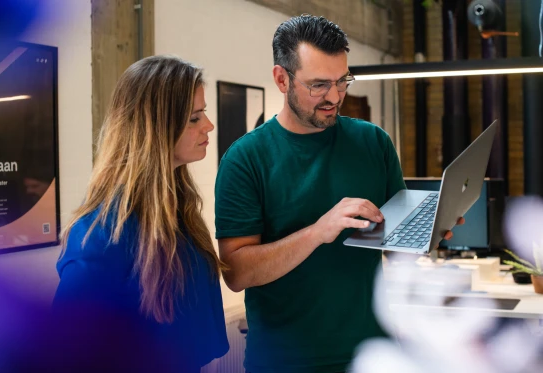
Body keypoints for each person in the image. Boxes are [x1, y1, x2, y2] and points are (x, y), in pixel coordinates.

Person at [214, 15, 463, 373]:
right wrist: (318, 232)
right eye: (318, 85)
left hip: (371, 354)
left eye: (342, 81)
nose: (334, 97)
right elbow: (236, 273)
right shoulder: (245, 158)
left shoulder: (373, 141)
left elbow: (393, 247)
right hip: (285, 361)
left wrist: (428, 232)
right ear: (281, 79)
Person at [53, 55, 229, 373]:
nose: (209, 125)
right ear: (156, 126)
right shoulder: (103, 231)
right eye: (194, 118)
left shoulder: (180, 211)